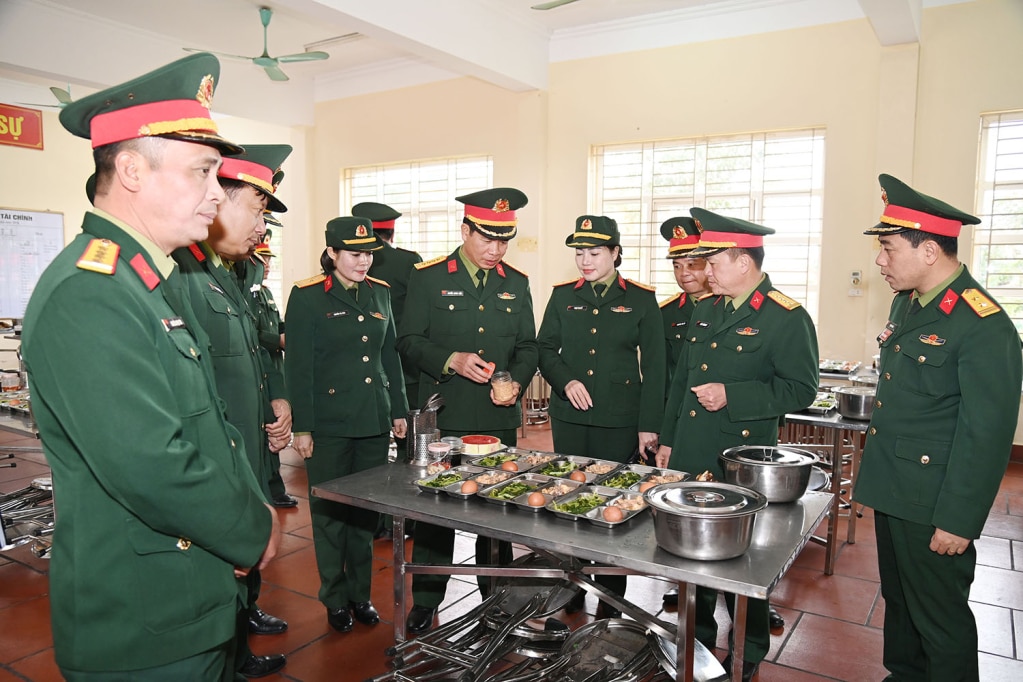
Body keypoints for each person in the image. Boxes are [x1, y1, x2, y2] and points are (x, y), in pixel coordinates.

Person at [21, 53, 279, 681]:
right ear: (131, 169)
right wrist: (252, 528)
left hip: (184, 593)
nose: (217, 194)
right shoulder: (92, 291)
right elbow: (153, 464)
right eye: (202, 172)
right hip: (142, 616)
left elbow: (207, 428)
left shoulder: (142, 279)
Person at [854, 174, 1022, 682]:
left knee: (940, 618)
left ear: (929, 250)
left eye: (887, 248)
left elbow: (986, 436)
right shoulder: (908, 302)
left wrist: (959, 520)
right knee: (901, 602)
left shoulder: (982, 325)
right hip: (895, 489)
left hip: (934, 502)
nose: (879, 261)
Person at [654, 208, 819, 681]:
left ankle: (748, 651)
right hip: (691, 450)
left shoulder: (786, 317)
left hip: (740, 460)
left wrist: (734, 395)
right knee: (690, 553)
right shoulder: (706, 310)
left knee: (742, 561)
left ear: (742, 261)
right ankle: (698, 640)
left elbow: (800, 389)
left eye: (712, 263)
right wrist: (668, 441)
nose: (703, 272)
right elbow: (681, 381)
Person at [172, 144, 294, 679]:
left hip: (248, 443)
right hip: (219, 452)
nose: (262, 226)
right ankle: (232, 652)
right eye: (258, 209)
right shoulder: (186, 274)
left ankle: (241, 642)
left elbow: (253, 355)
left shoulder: (232, 273)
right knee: (227, 559)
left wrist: (279, 400)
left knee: (248, 551)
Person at [397, 187, 538, 635]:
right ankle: (425, 600)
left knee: (496, 514)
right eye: (487, 239)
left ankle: (493, 597)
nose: (496, 250)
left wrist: (515, 378)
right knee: (435, 512)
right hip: (446, 414)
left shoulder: (516, 282)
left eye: (504, 241)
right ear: (465, 231)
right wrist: (450, 360)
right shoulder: (429, 277)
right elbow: (408, 340)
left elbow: (528, 346)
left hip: (497, 418)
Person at [536, 214, 664, 618]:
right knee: (568, 500)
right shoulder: (562, 296)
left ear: (615, 253)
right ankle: (571, 584)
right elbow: (544, 349)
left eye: (594, 252)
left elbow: (656, 366)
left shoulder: (641, 299)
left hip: (618, 417)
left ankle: (611, 595)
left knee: (613, 505)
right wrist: (565, 380)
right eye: (579, 253)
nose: (585, 261)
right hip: (570, 417)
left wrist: (649, 425)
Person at [285, 216, 409, 634]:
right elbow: (298, 368)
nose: (363, 262)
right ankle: (334, 598)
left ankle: (361, 594)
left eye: (369, 254)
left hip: (372, 420)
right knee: (330, 517)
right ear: (332, 253)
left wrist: (398, 410)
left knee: (364, 518)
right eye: (354, 254)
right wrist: (302, 427)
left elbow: (388, 356)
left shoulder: (381, 294)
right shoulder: (307, 296)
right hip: (329, 424)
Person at [353, 201, 423, 538]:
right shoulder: (409, 262)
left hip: (362, 372)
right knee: (409, 452)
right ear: (392, 230)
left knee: (369, 453)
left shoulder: (350, 262)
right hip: (403, 370)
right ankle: (403, 520)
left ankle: (373, 522)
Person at [250, 226, 298, 509]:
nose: (266, 265)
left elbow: (278, 324)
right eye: (262, 259)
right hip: (260, 367)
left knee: (275, 426)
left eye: (269, 260)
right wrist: (277, 340)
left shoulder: (266, 294)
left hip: (275, 370)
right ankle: (269, 487)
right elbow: (253, 334)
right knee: (266, 429)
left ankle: (276, 486)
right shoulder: (249, 295)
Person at [658, 216, 712, 385]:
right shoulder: (665, 313)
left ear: (709, 263)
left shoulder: (730, 307)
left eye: (692, 264)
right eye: (677, 266)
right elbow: (661, 373)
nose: (683, 273)